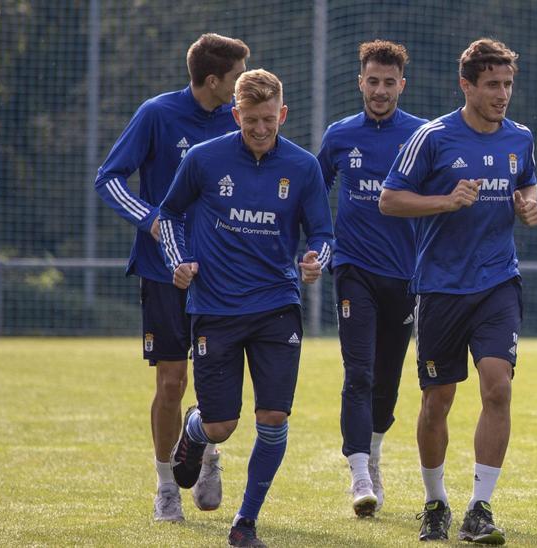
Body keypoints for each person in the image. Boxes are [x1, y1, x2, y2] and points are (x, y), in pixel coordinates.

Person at [160, 69, 334, 547]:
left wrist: (318, 259)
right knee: (223, 424)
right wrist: (180, 261)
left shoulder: (302, 167)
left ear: (283, 114)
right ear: (236, 115)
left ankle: (245, 522)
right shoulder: (203, 159)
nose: (260, 128)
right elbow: (169, 214)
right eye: (250, 119)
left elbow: (323, 233)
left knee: (274, 417)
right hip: (215, 308)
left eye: (269, 119)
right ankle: (195, 433)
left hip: (278, 306)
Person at [379, 38, 537, 545]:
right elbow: (389, 200)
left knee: (498, 387)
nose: (502, 94)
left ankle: (479, 507)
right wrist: (445, 202)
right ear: (466, 86)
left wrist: (527, 205)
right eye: (492, 85)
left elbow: (527, 182)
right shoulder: (432, 137)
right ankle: (435, 502)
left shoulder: (520, 138)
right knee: (437, 401)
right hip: (441, 287)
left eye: (508, 84)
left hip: (497, 282)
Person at [93, 32, 248, 522]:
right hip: (163, 272)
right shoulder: (157, 114)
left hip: (222, 274)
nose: (243, 84)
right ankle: (165, 487)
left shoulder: (239, 120)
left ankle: (205, 452)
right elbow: (109, 178)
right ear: (212, 80)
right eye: (238, 76)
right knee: (171, 381)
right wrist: (152, 219)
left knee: (215, 381)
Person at [317, 39, 428, 517]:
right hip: (353, 270)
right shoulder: (340, 135)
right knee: (357, 373)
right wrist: (315, 245)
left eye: (389, 83)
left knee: (386, 382)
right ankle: (360, 473)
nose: (380, 90)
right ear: (359, 81)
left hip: (405, 276)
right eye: (372, 81)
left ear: (402, 85)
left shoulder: (424, 136)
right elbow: (311, 191)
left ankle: (375, 452)